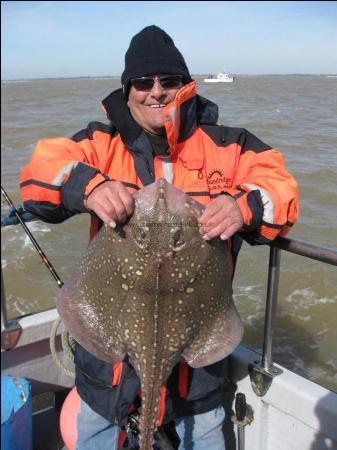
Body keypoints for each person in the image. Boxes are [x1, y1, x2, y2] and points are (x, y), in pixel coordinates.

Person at [20, 25, 298, 450]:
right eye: (143, 82)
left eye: (169, 81)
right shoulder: (101, 143)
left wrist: (243, 207)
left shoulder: (230, 147)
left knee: (202, 434)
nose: (156, 92)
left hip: (197, 382)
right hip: (106, 377)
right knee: (96, 433)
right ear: (127, 89)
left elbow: (283, 192)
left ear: (186, 86)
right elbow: (38, 175)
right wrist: (88, 187)